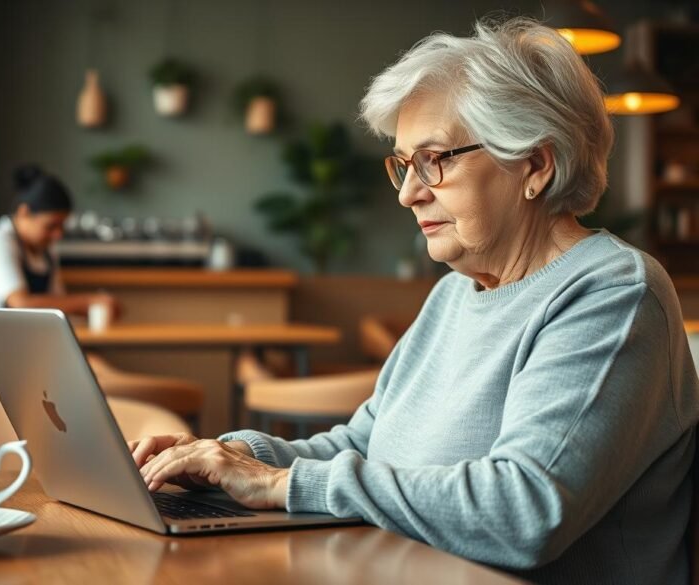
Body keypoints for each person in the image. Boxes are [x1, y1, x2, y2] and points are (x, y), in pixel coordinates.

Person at [127, 17, 699, 584]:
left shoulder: (612, 293)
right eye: (403, 164)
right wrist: (227, 458)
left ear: (535, 165)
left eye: (435, 160)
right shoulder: (454, 295)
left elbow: (525, 510)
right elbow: (363, 444)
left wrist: (282, 486)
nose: (407, 193)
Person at [0, 164, 118, 374]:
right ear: (24, 212)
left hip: (27, 348)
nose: (58, 235)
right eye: (51, 226)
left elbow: (58, 302)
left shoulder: (47, 252)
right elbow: (20, 303)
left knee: (91, 365)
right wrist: (91, 301)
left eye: (62, 227)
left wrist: (99, 306)